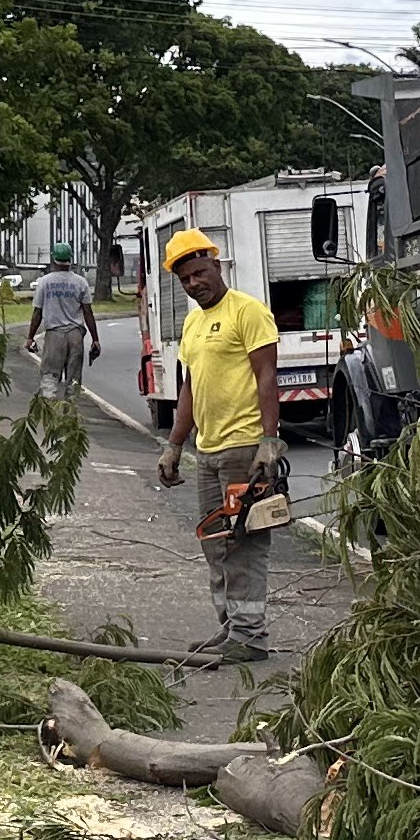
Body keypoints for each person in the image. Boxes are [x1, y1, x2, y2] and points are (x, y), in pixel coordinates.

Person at [152, 227, 279, 661]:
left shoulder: (248, 311)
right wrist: (173, 445)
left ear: (217, 265)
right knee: (215, 543)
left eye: (200, 273)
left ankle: (250, 636)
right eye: (186, 279)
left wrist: (269, 441)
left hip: (244, 448)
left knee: (242, 544)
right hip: (207, 451)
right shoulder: (193, 322)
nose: (194, 284)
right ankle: (230, 630)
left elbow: (266, 377)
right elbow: (189, 387)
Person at [28, 241, 100, 402]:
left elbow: (37, 312)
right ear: (70, 260)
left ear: (53, 259)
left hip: (54, 335)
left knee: (50, 376)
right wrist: (95, 339)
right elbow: (88, 312)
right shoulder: (81, 282)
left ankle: (49, 411)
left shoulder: (44, 282)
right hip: (75, 335)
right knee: (73, 379)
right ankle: (70, 414)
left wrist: (30, 337)